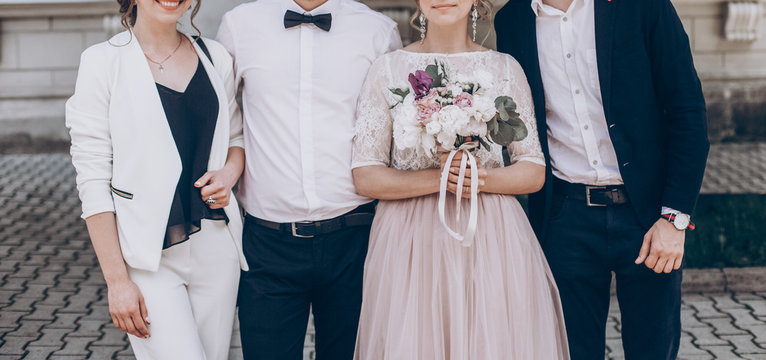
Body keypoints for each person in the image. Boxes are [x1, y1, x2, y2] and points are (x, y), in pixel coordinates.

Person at [351, 0, 569, 358]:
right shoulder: (387, 70)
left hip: (491, 237)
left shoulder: (504, 68)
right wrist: (437, 179)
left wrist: (476, 179)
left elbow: (532, 169)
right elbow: (366, 174)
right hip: (409, 242)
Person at [495, 0, 710, 358]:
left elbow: (688, 111)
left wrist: (674, 218)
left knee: (653, 350)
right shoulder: (513, 19)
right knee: (572, 351)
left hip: (648, 216)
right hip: (565, 217)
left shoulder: (642, 6)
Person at [215, 0, 401, 359]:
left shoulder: (377, 31)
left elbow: (396, 131)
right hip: (267, 245)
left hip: (356, 238)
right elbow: (222, 121)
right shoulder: (239, 25)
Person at [66, 0, 248, 358]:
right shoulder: (103, 62)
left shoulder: (216, 57)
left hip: (216, 248)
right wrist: (117, 281)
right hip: (149, 256)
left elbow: (237, 140)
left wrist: (227, 174)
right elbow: (93, 180)